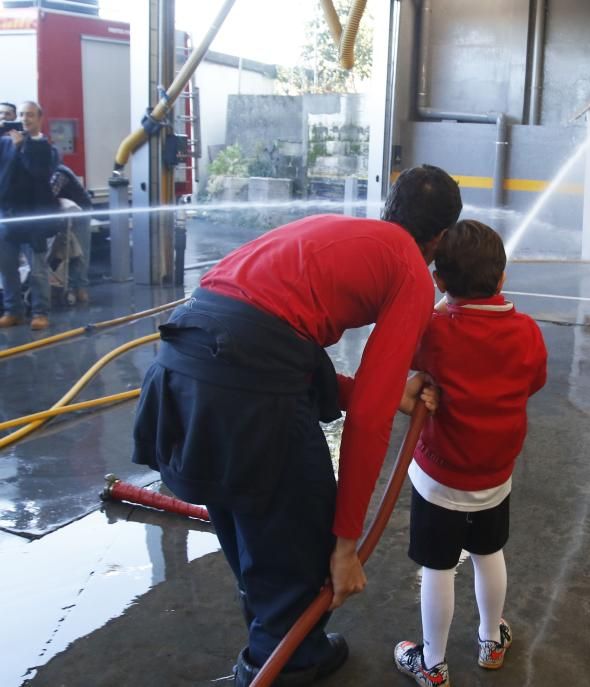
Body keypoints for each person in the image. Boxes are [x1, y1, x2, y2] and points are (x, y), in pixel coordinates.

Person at [131, 165, 463, 687]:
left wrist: (363, 390)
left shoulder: (330, 230)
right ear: (439, 238)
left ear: (388, 207)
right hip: (248, 390)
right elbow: (371, 420)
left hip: (182, 369)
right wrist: (346, 544)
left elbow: (281, 339)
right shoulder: (409, 269)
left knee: (247, 518)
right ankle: (278, 666)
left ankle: (289, 646)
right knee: (305, 541)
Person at [393, 220, 548, 687]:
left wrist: (441, 307)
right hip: (494, 476)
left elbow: (406, 360)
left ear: (440, 282)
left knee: (438, 568)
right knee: (488, 553)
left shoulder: (435, 331)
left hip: (438, 478)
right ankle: (490, 640)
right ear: (501, 279)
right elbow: (534, 383)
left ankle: (433, 664)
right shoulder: (526, 332)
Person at [0, 101, 61, 330]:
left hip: (33, 219)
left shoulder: (43, 146)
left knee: (37, 270)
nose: (26, 119)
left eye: (30, 115)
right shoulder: (4, 144)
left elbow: (38, 173)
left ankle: (40, 312)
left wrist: (20, 147)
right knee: (7, 268)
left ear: (39, 119)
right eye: (23, 115)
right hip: (7, 215)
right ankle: (13, 310)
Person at [51, 164, 92, 304]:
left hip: (81, 212)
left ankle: (80, 288)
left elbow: (51, 193)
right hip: (68, 213)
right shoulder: (58, 170)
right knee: (74, 252)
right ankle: (75, 288)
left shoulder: (59, 173)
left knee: (80, 252)